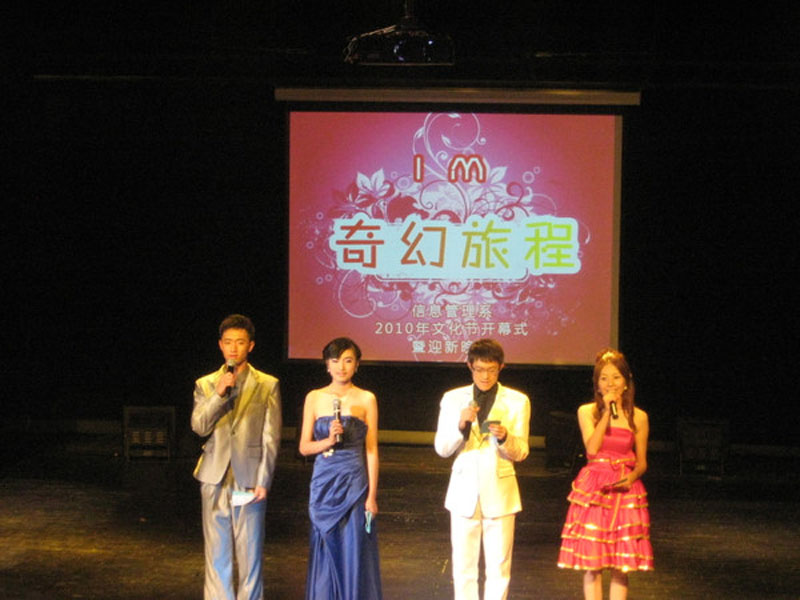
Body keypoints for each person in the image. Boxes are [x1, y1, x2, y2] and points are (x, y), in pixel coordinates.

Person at [191, 314, 282, 600]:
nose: (233, 348)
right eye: (228, 342)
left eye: (240, 342)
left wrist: (263, 480)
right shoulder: (206, 384)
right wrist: (218, 394)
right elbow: (199, 426)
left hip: (249, 477)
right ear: (220, 345)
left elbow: (270, 438)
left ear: (250, 346)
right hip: (214, 475)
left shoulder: (267, 384)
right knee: (216, 551)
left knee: (250, 551)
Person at [434, 338, 531, 600]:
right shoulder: (453, 399)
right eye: (479, 369)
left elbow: (522, 451)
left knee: (499, 567)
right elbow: (442, 448)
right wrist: (460, 426)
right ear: (469, 366)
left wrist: (505, 438)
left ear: (501, 367)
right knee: (463, 566)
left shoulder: (518, 401)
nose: (485, 376)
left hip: (500, 490)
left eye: (491, 370)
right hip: (463, 491)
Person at [557, 348, 654, 600]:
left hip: (625, 490)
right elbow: (591, 449)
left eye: (616, 378)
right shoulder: (586, 411)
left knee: (622, 564)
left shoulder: (639, 417)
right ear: (597, 384)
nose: (610, 383)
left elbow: (642, 463)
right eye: (604, 378)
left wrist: (631, 477)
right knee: (593, 562)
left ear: (626, 382)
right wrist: (606, 414)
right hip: (595, 488)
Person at [298, 337, 382, 600]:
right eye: (335, 361)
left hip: (355, 483)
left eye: (347, 361)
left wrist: (371, 496)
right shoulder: (314, 397)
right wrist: (327, 441)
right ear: (327, 365)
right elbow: (304, 447)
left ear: (357, 364)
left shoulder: (366, 399)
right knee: (325, 546)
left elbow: (371, 450)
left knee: (354, 547)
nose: (341, 367)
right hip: (324, 483)